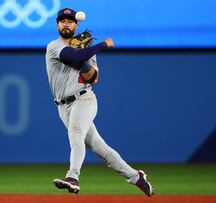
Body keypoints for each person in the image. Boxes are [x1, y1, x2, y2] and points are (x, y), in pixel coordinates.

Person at [45, 8, 154, 197]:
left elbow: (93, 78)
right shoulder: (54, 46)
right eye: (62, 21)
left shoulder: (86, 52)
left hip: (84, 99)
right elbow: (72, 56)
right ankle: (136, 177)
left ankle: (73, 176)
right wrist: (101, 45)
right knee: (99, 147)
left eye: (70, 21)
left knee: (75, 132)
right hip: (63, 107)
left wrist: (85, 59)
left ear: (76, 25)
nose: (66, 24)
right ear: (57, 25)